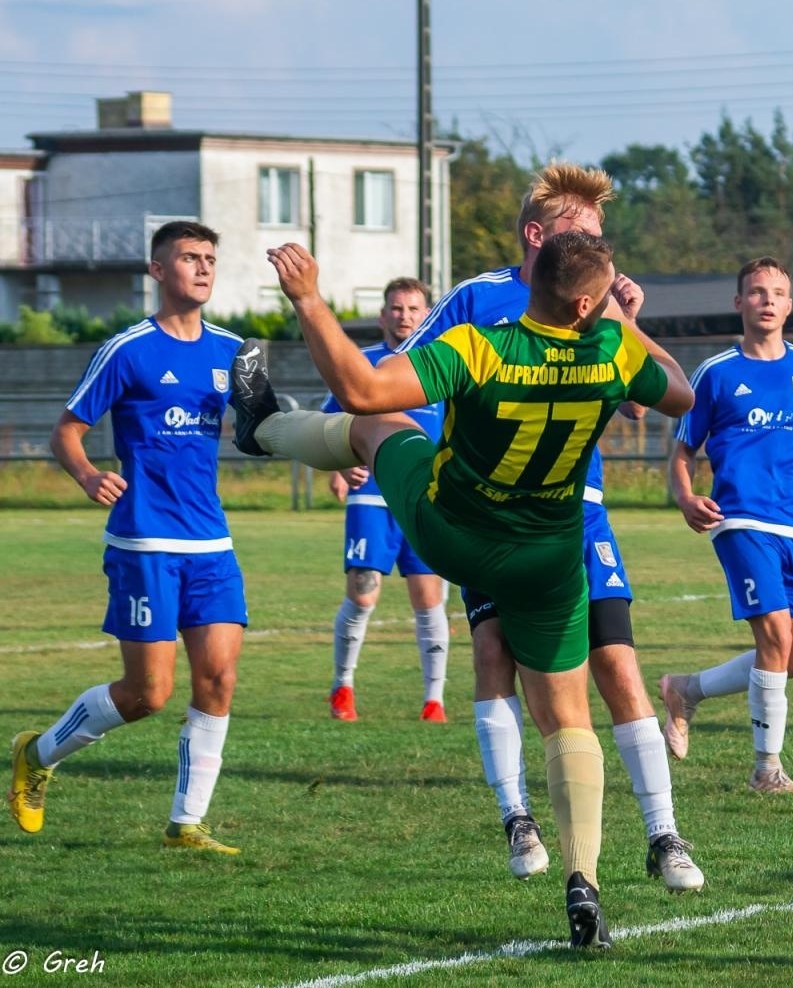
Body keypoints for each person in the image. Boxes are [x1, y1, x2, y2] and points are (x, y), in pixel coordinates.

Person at [228, 230, 692, 948]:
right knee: (569, 720)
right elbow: (683, 394)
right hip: (548, 556)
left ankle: (261, 432)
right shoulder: (614, 351)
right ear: (583, 306)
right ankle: (584, 884)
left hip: (457, 533)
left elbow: (360, 388)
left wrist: (309, 300)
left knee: (378, 424)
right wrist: (626, 324)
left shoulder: (481, 345)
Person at [392, 162, 703, 893]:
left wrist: (626, 321)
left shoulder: (600, 307)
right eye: (582, 235)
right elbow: (406, 375)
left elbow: (643, 401)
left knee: (619, 664)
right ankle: (517, 816)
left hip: (577, 513)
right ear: (538, 236)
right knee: (494, 652)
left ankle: (663, 833)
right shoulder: (478, 300)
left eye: (602, 237)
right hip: (490, 514)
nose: (599, 250)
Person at [8, 220, 247, 855]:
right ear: (157, 272)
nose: (202, 268)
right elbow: (67, 430)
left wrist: (339, 451)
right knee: (148, 694)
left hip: (211, 543)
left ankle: (186, 824)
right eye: (188, 258)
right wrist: (89, 475)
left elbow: (265, 426)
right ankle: (38, 753)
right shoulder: (128, 349)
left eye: (209, 258)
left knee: (218, 680)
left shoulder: (233, 350)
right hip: (144, 542)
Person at [660, 257, 793, 793]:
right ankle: (767, 770)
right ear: (739, 302)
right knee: (774, 639)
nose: (767, 300)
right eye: (756, 292)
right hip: (738, 519)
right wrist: (686, 497)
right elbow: (682, 453)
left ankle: (687, 689)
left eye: (777, 292)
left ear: (790, 304)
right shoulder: (716, 373)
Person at [322, 278, 450, 723]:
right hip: (372, 499)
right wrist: (340, 467)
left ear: (426, 314)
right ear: (383, 316)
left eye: (414, 309)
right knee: (362, 596)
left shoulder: (440, 365)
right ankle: (342, 688)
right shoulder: (361, 365)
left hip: (427, 499)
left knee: (428, 598)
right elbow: (326, 425)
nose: (405, 317)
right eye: (396, 309)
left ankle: (434, 700)